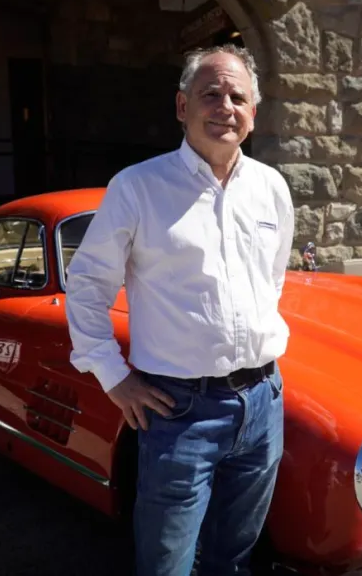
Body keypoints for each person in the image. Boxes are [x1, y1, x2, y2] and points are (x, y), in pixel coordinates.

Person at [65, 44, 296, 576]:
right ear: (181, 106)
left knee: (233, 558)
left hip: (263, 401)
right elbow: (87, 284)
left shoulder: (271, 189)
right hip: (179, 410)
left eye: (238, 97)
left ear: (253, 113)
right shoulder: (138, 187)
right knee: (166, 563)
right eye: (210, 94)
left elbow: (272, 280)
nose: (225, 106)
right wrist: (113, 376)